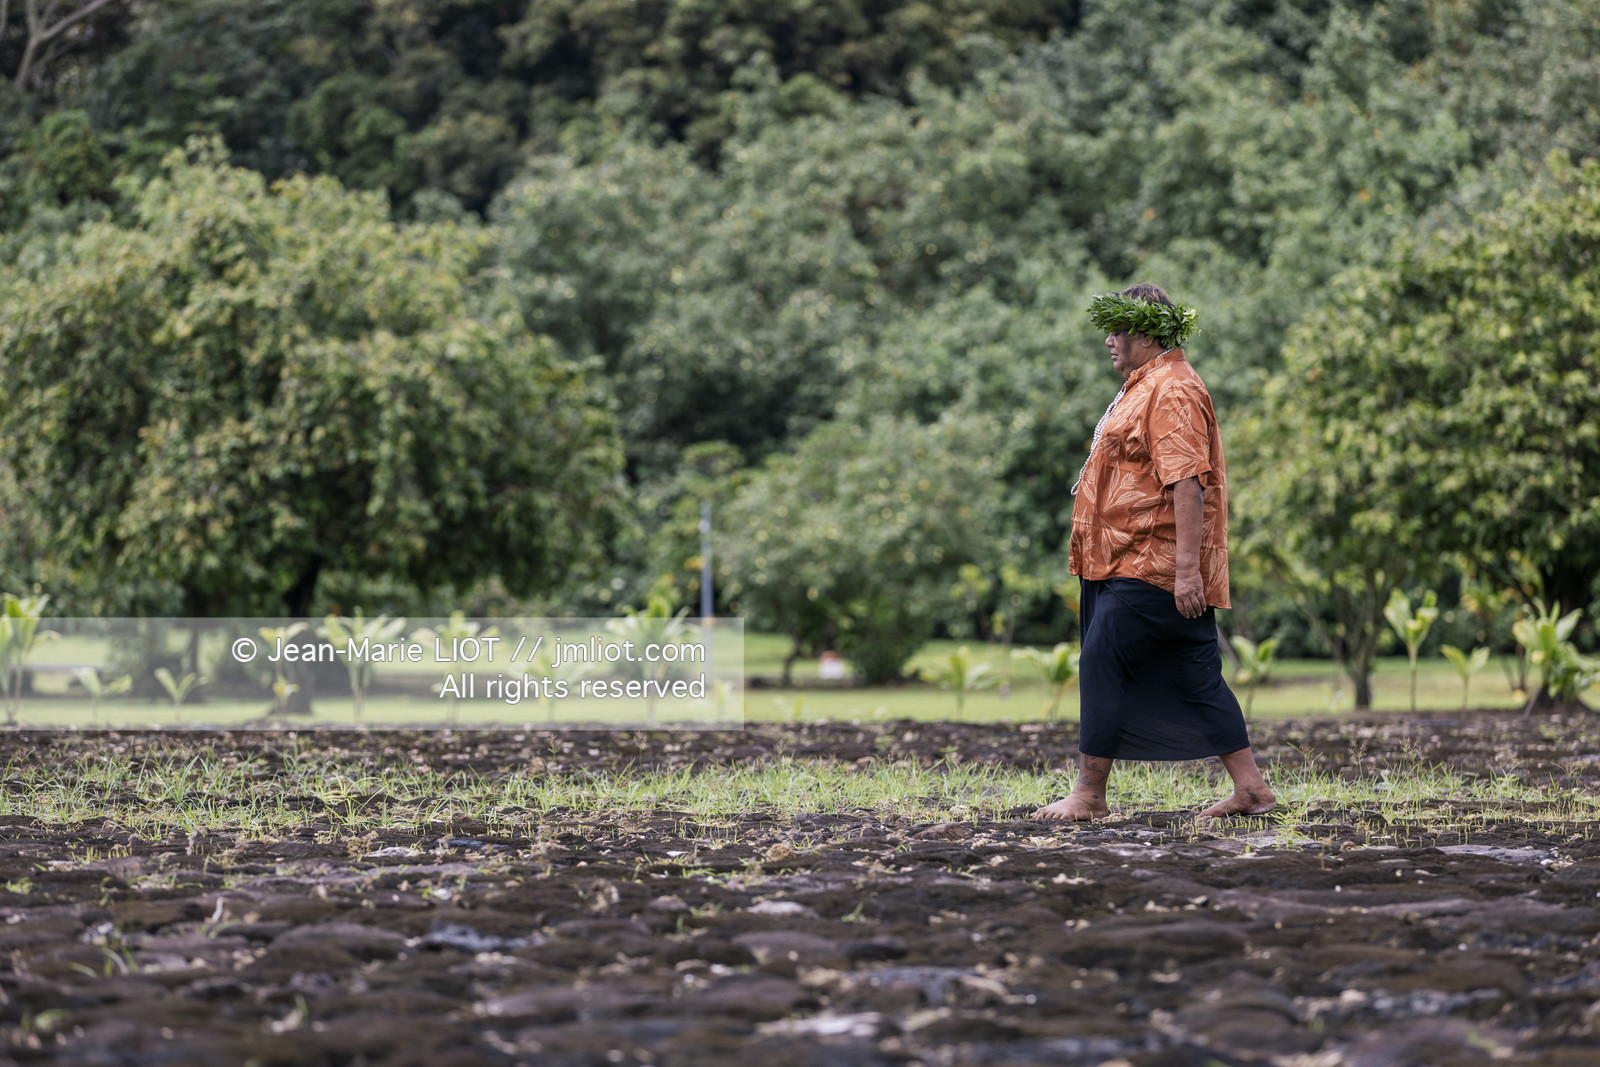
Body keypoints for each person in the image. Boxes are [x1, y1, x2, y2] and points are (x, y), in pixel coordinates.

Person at [1033, 283, 1275, 821]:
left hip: (1152, 563)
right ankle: (1253, 789)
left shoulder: (1173, 390)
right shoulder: (1147, 385)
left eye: (1117, 331)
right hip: (1125, 559)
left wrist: (1187, 571)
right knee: (1194, 671)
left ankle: (1089, 795)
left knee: (1102, 658)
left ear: (1146, 334)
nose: (1109, 341)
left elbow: (1186, 482)